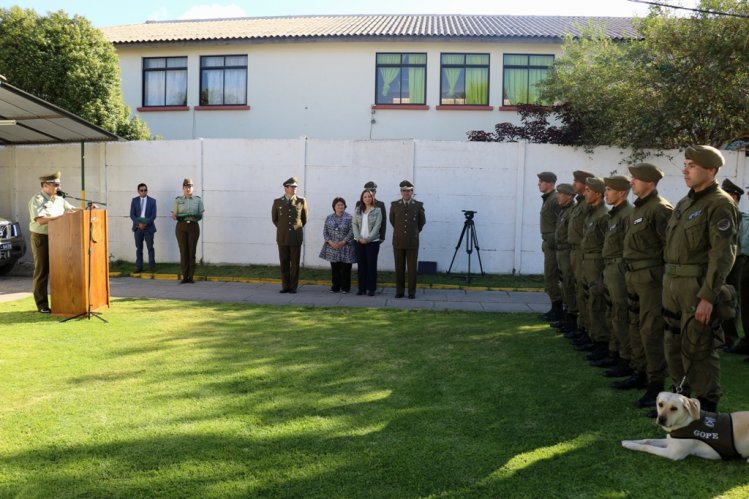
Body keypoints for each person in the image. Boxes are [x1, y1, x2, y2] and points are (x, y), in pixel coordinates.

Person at [662, 146, 739, 413]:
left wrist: (708, 296)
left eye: (692, 165)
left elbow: (722, 255)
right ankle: (680, 402)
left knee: (699, 346)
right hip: (673, 284)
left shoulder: (720, 204)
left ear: (711, 170)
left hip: (697, 287)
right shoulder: (684, 203)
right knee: (672, 342)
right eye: (685, 164)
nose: (685, 169)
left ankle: (707, 409)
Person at [614, 164, 672, 396]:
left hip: (651, 278)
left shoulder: (660, 209)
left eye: (636, 178)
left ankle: (655, 383)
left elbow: (669, 247)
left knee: (651, 330)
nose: (631, 182)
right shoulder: (639, 209)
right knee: (636, 326)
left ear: (649, 181)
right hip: (633, 275)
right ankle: (639, 372)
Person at [28, 171, 80, 313]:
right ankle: (42, 305)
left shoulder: (59, 200)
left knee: (60, 270)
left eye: (59, 184)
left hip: (59, 238)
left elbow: (73, 210)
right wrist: (61, 217)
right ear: (45, 185)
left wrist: (87, 210)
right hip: (42, 238)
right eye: (56, 185)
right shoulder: (37, 200)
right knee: (42, 271)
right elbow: (40, 220)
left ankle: (62, 301)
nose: (59, 187)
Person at [597, 176, 633, 370]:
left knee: (621, 313)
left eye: (609, 190)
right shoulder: (615, 214)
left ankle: (625, 358)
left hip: (619, 269)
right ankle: (615, 352)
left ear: (622, 193)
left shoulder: (628, 214)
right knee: (612, 311)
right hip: (610, 267)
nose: (606, 193)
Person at [577, 177, 610, 355]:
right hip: (586, 260)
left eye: (588, 190)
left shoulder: (604, 215)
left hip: (596, 262)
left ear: (598, 194)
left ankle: (601, 341)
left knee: (597, 301)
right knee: (587, 298)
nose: (585, 193)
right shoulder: (592, 213)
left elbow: (607, 243)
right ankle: (592, 335)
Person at [566, 170, 594, 348]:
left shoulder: (586, 206)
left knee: (586, 293)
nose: (574, 184)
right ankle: (581, 327)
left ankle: (587, 331)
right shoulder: (579, 204)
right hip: (575, 251)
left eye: (577, 181)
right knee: (578, 290)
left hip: (584, 253)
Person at [719, 178, 745, 351]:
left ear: (734, 197)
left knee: (730, 298)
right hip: (722, 261)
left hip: (735, 263)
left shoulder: (739, 216)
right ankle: (723, 337)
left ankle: (731, 338)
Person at [272, 176, 308, 293]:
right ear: (285, 188)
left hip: (295, 237)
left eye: (295, 187)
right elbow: (275, 219)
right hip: (282, 237)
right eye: (292, 187)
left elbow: (304, 219)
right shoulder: (277, 202)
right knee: (284, 262)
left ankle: (293, 287)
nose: (294, 189)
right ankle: (285, 286)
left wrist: (295, 228)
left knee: (295, 263)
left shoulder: (301, 201)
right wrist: (284, 229)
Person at [390, 180, 426, 299]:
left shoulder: (418, 205)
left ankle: (411, 292)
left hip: (412, 241)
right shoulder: (395, 205)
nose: (406, 193)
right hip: (398, 241)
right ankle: (399, 292)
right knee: (399, 268)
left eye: (409, 191)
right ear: (401, 192)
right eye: (404, 190)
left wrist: (414, 232)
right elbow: (393, 221)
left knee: (411, 269)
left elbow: (421, 222)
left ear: (412, 192)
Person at [537, 171, 563, 322]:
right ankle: (556, 308)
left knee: (551, 276)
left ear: (550, 183)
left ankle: (558, 309)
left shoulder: (554, 199)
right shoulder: (549, 199)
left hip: (553, 243)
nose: (538, 183)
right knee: (550, 277)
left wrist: (554, 240)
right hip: (549, 242)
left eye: (541, 181)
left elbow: (562, 222)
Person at [553, 183, 577, 333]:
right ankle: (566, 317)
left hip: (568, 253)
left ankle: (571, 320)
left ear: (569, 196)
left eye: (560, 193)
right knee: (564, 284)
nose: (558, 196)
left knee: (569, 284)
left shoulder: (571, 211)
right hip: (561, 252)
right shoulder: (564, 211)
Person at [171, 178, 204, 284]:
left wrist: (195, 216)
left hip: (193, 227)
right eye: (186, 187)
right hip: (181, 227)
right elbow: (174, 215)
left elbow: (200, 215)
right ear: (183, 188)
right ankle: (185, 276)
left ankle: (191, 276)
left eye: (190, 187)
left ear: (192, 188)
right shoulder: (178, 200)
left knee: (192, 251)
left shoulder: (198, 200)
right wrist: (177, 216)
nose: (188, 189)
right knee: (183, 251)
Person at [319, 197, 356, 293]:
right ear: (334, 207)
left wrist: (343, 242)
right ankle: (335, 287)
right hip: (332, 247)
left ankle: (345, 288)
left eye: (342, 205)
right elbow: (325, 231)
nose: (340, 206)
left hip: (346, 247)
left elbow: (352, 232)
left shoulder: (350, 217)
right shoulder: (329, 217)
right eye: (338, 205)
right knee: (335, 269)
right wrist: (330, 242)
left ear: (345, 206)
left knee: (345, 269)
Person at [353, 189, 382, 296]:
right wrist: (358, 237)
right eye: (365, 197)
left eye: (369, 197)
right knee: (361, 266)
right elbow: (354, 224)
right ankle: (361, 288)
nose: (367, 198)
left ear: (372, 198)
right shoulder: (357, 210)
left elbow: (377, 226)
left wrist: (368, 239)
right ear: (362, 198)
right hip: (359, 242)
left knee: (371, 266)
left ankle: (371, 289)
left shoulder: (377, 210)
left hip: (372, 242)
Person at [129, 182, 157, 273]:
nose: (143, 192)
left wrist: (145, 224)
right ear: (138, 191)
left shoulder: (152, 201)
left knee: (150, 248)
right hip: (138, 228)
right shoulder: (134, 200)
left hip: (148, 228)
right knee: (139, 248)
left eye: (145, 190)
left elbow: (153, 215)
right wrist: (139, 224)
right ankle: (139, 267)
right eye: (141, 190)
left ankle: (152, 267)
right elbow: (132, 215)